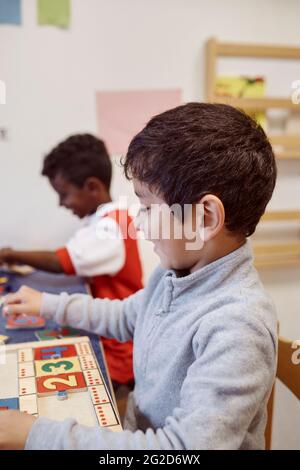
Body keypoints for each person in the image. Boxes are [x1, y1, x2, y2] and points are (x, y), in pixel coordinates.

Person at [0, 103, 277, 450]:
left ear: (205, 218)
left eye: (147, 207)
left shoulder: (238, 327)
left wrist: (35, 435)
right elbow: (125, 316)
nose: (139, 223)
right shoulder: (174, 274)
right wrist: (47, 304)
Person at [0, 134, 143, 388]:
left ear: (92, 187)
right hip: (105, 332)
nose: (61, 204)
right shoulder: (100, 221)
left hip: (117, 350)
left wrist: (10, 254)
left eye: (64, 194)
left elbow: (62, 261)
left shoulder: (112, 227)